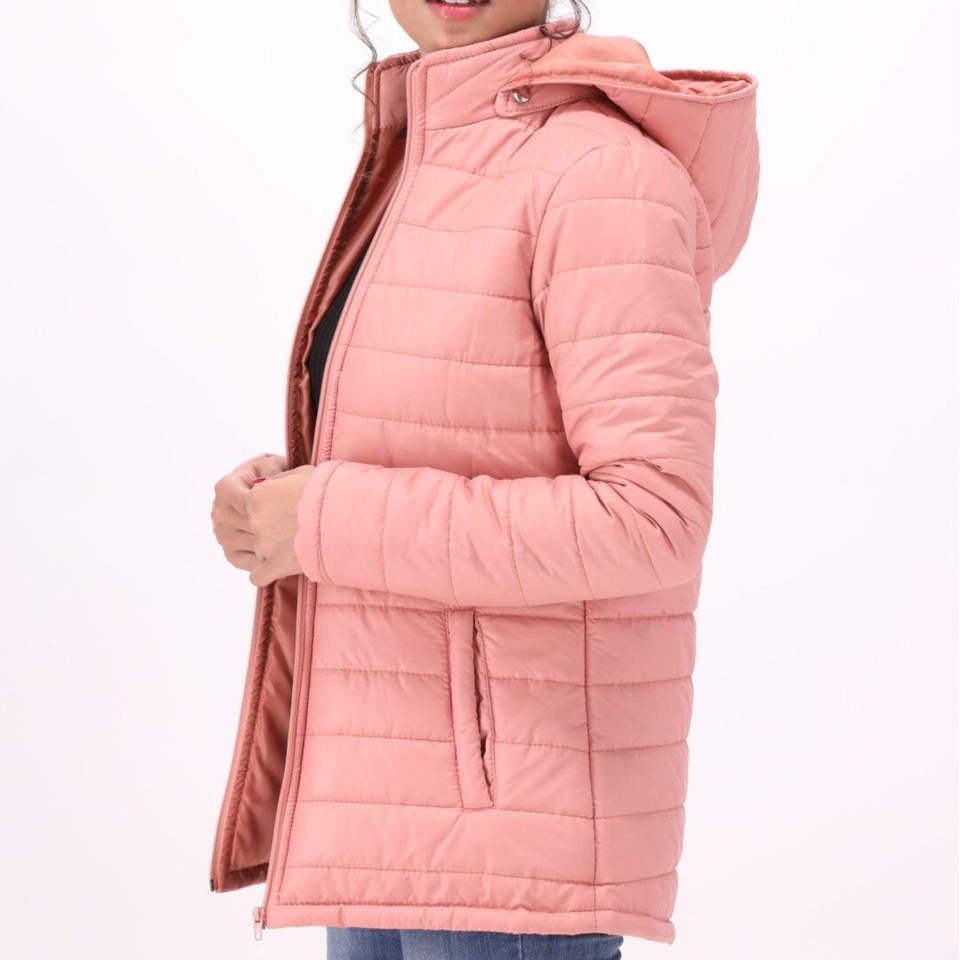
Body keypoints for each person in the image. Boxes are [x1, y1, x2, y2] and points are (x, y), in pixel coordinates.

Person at [208, 2, 759, 958]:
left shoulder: (602, 174)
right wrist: (277, 507)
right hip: (381, 814)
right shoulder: (431, 153)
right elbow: (444, 438)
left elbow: (654, 518)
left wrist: (327, 518)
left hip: (510, 847)